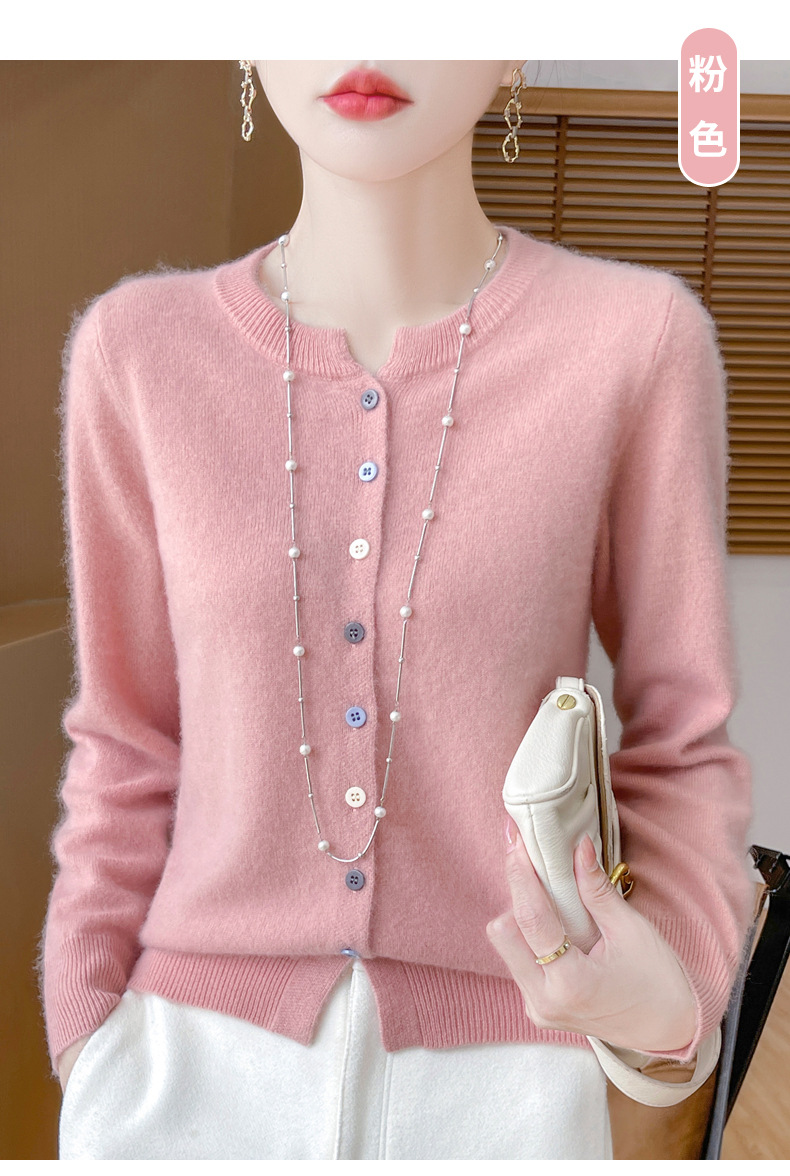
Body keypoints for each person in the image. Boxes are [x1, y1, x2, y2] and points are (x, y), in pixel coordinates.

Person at [38, 60, 755, 1160]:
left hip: (508, 1080)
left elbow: (683, 735)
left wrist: (675, 999)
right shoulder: (136, 351)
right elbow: (125, 738)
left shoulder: (634, 339)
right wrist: (87, 1030)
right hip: (176, 1070)